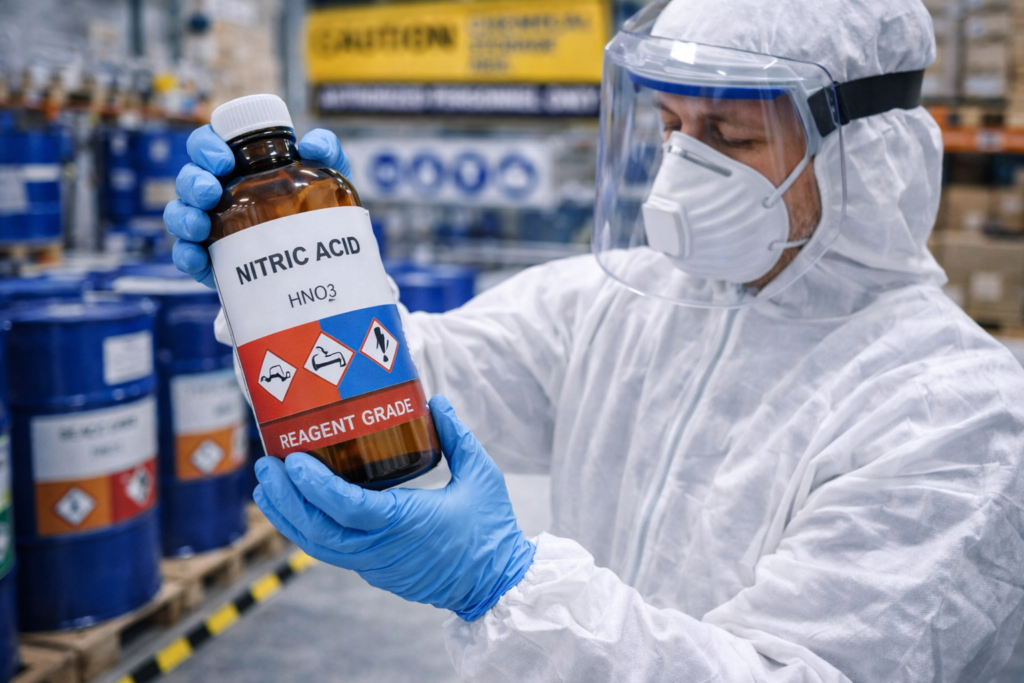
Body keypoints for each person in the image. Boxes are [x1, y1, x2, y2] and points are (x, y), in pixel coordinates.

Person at [164, 0, 1024, 679]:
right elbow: (409, 378)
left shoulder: (955, 419)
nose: (687, 168)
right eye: (673, 129)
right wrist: (278, 296)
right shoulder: (628, 304)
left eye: (731, 135)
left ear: (862, 156)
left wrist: (502, 586)